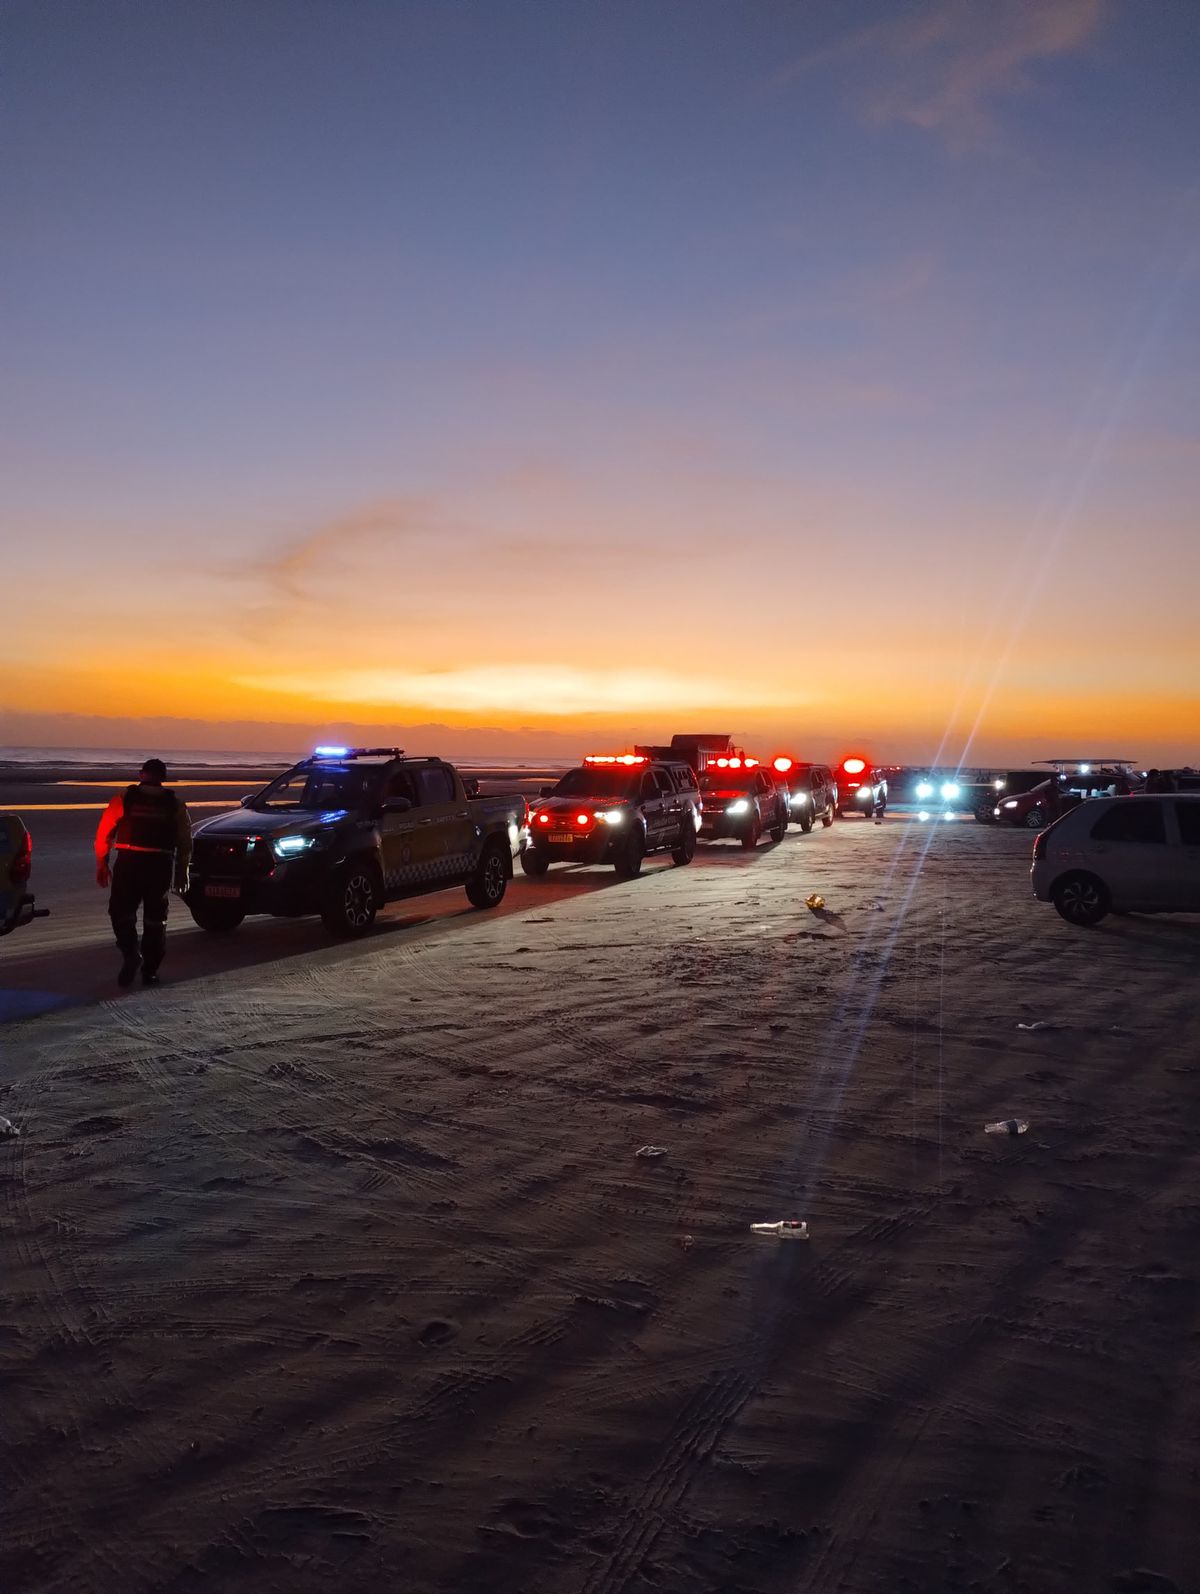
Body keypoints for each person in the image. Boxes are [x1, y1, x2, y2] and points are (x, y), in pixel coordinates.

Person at [95, 759, 192, 987]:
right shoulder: (175, 803)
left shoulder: (124, 798)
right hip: (159, 865)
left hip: (129, 863)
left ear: (141, 775)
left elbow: (105, 832)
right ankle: (150, 972)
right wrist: (182, 872)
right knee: (156, 920)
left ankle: (130, 952)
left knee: (120, 912)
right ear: (164, 778)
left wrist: (102, 862)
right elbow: (185, 842)